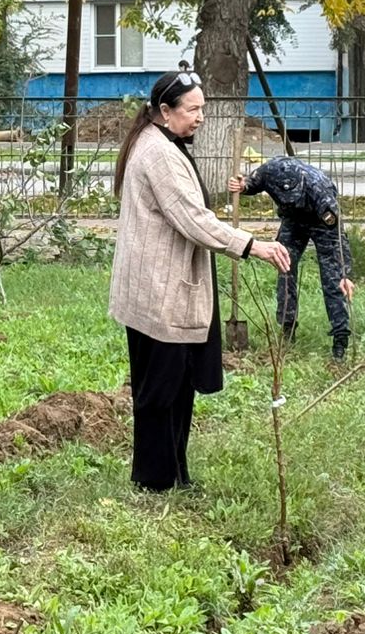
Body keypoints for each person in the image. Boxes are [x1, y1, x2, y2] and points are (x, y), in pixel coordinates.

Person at [109, 70, 291, 490]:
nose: (201, 117)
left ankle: (172, 474)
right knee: (161, 391)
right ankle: (155, 482)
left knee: (175, 389)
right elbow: (192, 220)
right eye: (193, 110)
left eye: (203, 109)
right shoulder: (158, 153)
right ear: (165, 111)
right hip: (159, 292)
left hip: (161, 288)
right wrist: (252, 246)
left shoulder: (161, 142)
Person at [227, 153, 355, 358]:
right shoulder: (269, 171)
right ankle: (287, 329)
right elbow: (252, 183)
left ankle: (340, 338)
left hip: (320, 223)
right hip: (292, 222)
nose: (290, 200)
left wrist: (345, 273)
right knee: (284, 267)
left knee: (333, 280)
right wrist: (242, 187)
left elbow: (337, 239)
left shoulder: (320, 191)